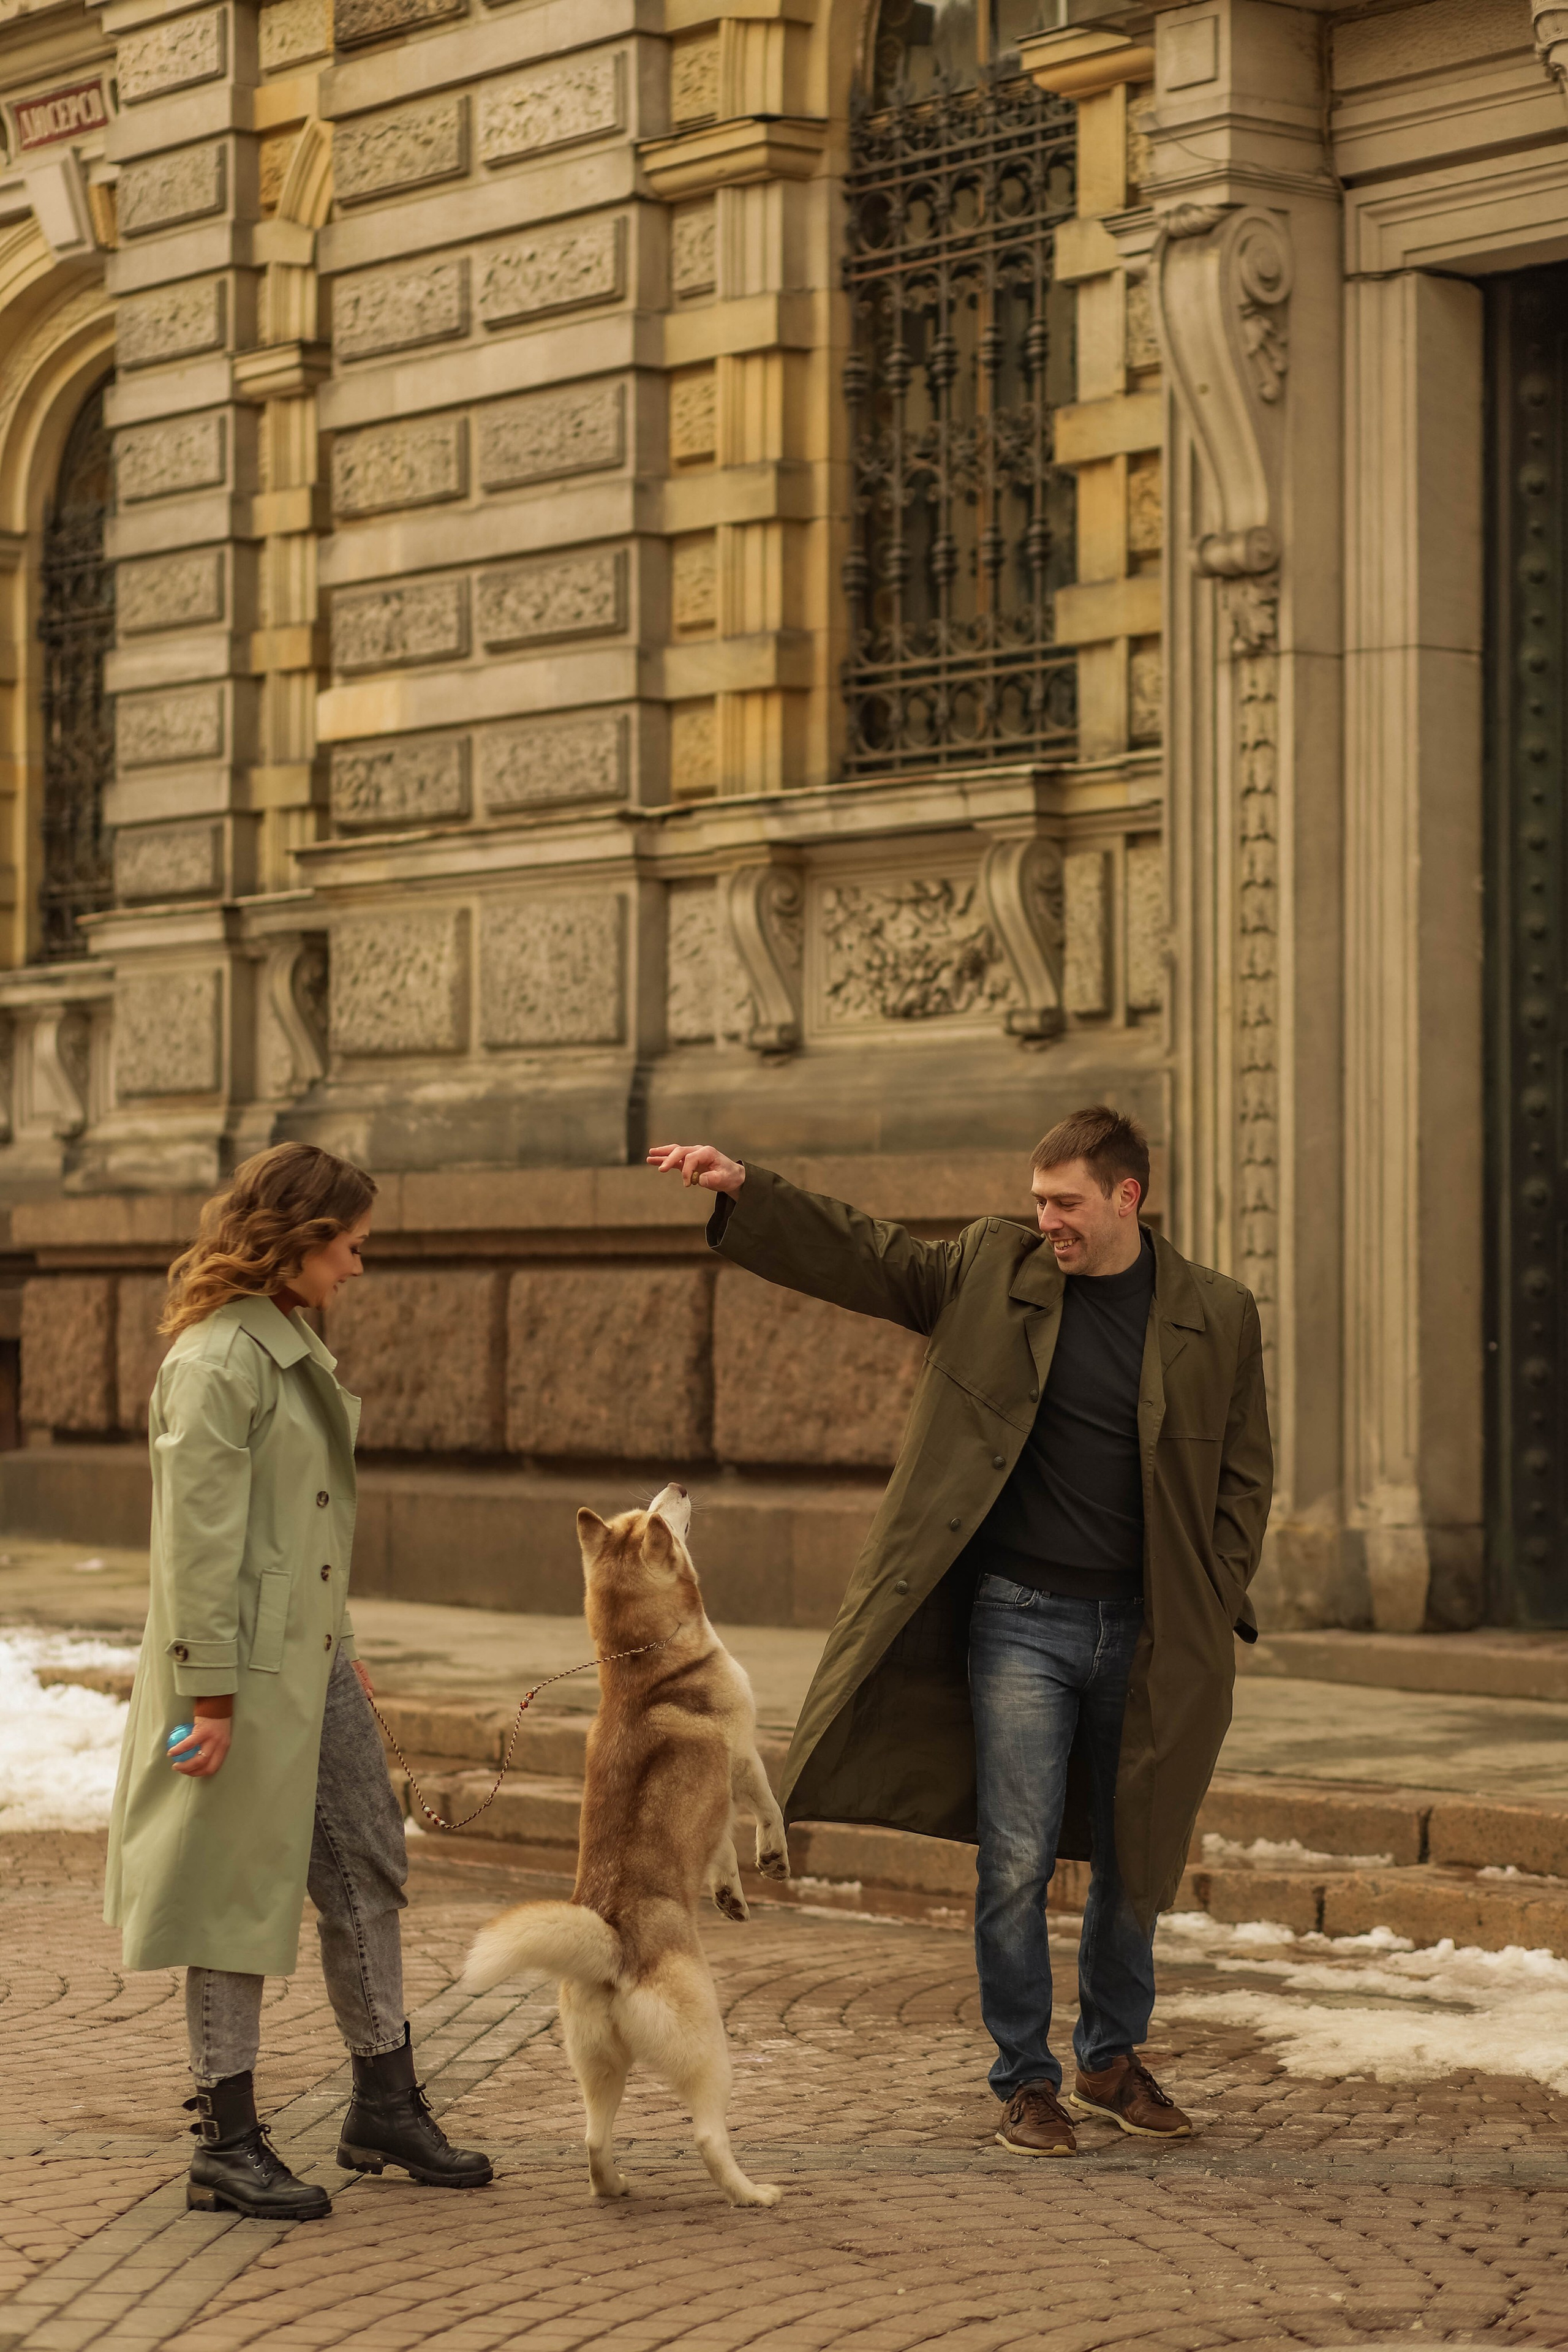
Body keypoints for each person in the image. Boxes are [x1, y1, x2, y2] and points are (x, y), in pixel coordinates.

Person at [649, 1108, 1272, 2159]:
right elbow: (871, 1255)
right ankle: (1026, 2080)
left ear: (1129, 1197)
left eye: (1066, 1203)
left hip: (1153, 1633)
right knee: (1016, 1860)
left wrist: (1214, 1590)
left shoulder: (1218, 1313)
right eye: (1038, 1201)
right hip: (1020, 1623)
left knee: (1139, 1856)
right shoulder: (993, 1268)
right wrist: (748, 1188)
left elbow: (1246, 1472)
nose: (1046, 1221)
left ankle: (1111, 2060)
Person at [104, 1142, 492, 2219]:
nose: (358, 1267)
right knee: (228, 1892)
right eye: (350, 1246)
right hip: (231, 1680)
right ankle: (225, 2143)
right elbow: (197, 1552)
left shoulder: (283, 1344)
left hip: (308, 1664)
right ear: (300, 1240)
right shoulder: (216, 1363)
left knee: (368, 1864)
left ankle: (385, 2104)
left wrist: (343, 1640)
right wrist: (212, 1701)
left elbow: (305, 1532)